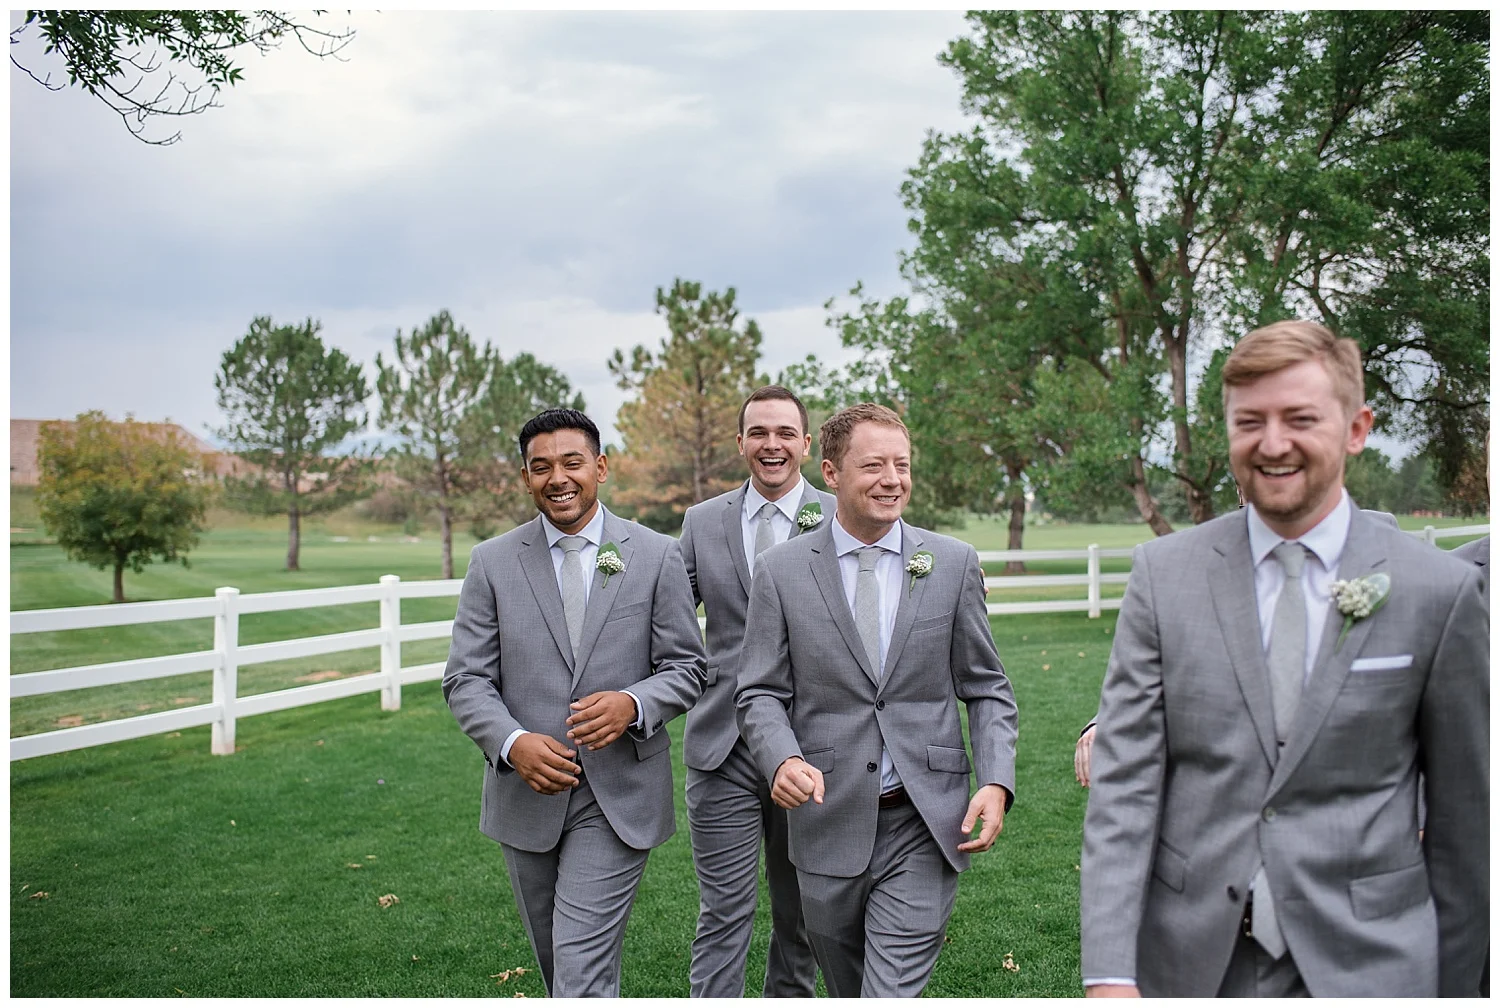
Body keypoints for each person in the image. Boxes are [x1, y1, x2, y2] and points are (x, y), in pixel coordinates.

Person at [1080, 321, 1488, 997]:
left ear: (1357, 428)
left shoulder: (1437, 591)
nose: (1273, 444)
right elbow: (1125, 788)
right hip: (1191, 964)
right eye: (1250, 422)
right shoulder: (1163, 574)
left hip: (1372, 963)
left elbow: (1464, 824)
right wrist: (1110, 977)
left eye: (1300, 418)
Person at [736, 402, 1019, 997]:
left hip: (925, 816)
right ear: (832, 473)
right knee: (847, 987)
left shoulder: (951, 564)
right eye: (874, 466)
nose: (893, 480)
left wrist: (996, 780)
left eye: (903, 465)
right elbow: (759, 691)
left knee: (889, 993)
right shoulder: (781, 571)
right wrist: (782, 759)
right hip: (825, 818)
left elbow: (986, 685)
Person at [443, 408, 708, 997]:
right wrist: (512, 746)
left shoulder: (656, 554)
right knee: (558, 962)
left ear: (601, 468)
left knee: (579, 964)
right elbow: (465, 679)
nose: (557, 478)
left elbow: (689, 668)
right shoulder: (492, 562)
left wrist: (633, 704)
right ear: (525, 478)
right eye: (541, 468)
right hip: (525, 796)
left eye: (572, 463)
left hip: (618, 796)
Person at [678, 386, 829, 997]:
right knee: (723, 913)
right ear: (740, 442)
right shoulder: (701, 522)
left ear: (807, 444)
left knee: (802, 918)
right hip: (721, 749)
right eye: (759, 433)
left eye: (785, 433)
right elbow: (663, 619)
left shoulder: (840, 514)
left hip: (813, 749)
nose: (773, 445)